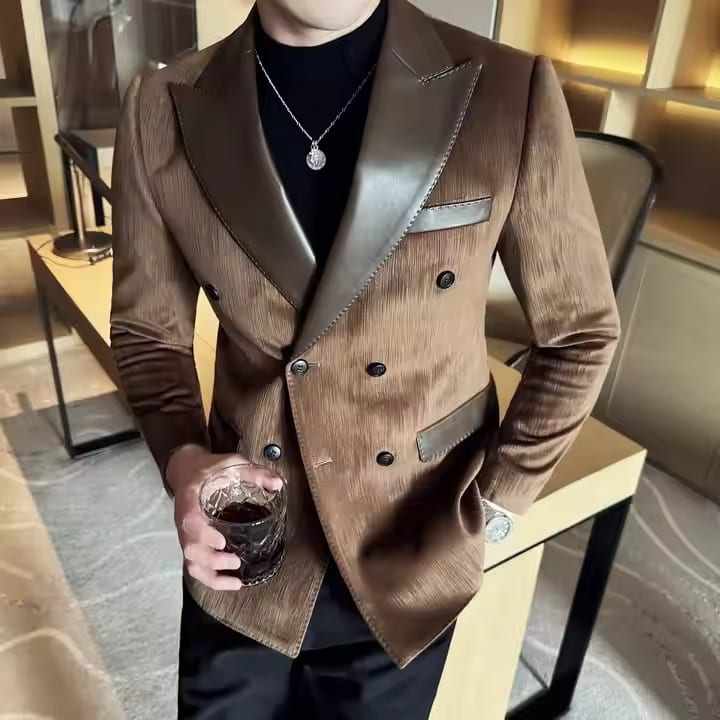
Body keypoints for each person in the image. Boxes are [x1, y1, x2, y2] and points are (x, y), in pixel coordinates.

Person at [109, 0, 621, 717]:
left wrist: (497, 507)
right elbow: (147, 332)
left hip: (412, 542)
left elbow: (581, 333)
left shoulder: (509, 89)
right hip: (245, 542)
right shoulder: (159, 105)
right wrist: (184, 461)